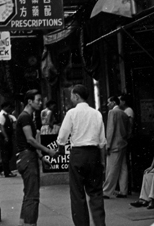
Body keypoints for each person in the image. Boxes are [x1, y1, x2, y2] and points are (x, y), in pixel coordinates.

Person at [57, 84, 107, 226]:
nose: (71, 98)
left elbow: (62, 137)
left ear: (77, 96)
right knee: (96, 192)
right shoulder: (96, 113)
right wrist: (102, 161)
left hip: (78, 154)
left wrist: (60, 148)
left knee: (77, 194)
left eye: (72, 95)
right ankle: (100, 223)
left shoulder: (71, 113)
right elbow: (102, 141)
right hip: (94, 154)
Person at [16, 89, 59, 226]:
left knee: (29, 193)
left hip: (26, 157)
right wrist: (47, 151)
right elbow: (30, 139)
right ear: (29, 101)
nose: (41, 103)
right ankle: (29, 223)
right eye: (38, 100)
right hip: (28, 157)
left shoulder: (28, 117)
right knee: (33, 196)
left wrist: (41, 157)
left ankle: (24, 222)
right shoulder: (25, 117)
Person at [102, 96, 129, 199]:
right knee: (123, 168)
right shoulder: (123, 113)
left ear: (113, 102)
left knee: (111, 169)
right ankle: (123, 190)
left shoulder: (112, 113)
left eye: (109, 102)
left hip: (114, 145)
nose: (108, 104)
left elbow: (110, 130)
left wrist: (108, 145)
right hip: (122, 143)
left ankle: (106, 191)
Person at [0, 102, 16, 177]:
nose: (10, 109)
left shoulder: (7, 115)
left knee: (9, 153)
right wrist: (5, 137)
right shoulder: (1, 115)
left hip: (7, 135)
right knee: (5, 154)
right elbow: (1, 126)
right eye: (9, 107)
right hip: (3, 136)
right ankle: (7, 172)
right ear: (5, 107)